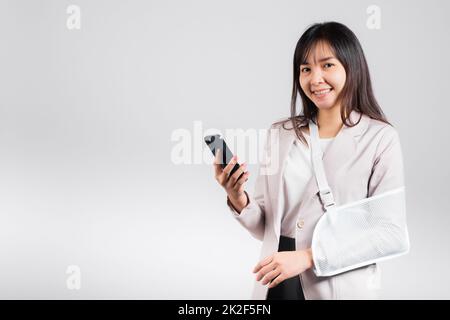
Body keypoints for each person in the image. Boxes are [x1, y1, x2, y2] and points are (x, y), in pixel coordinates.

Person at [213, 21, 407, 299]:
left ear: (352, 67)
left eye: (327, 65)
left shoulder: (380, 138)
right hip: (275, 281)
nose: (315, 79)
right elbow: (266, 227)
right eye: (306, 69)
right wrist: (237, 196)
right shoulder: (280, 134)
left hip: (337, 285)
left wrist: (309, 256)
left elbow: (390, 233)